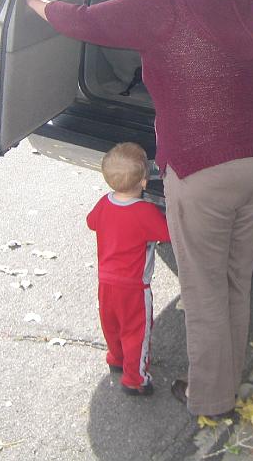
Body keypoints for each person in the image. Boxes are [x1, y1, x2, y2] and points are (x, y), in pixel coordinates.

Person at [27, 0, 253, 419]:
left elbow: (86, 22)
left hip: (206, 166)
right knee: (235, 276)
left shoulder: (162, 3)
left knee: (204, 288)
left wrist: (39, 2)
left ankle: (210, 398)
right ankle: (225, 381)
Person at [86, 142, 170, 396]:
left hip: (106, 282)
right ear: (144, 181)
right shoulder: (145, 212)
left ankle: (117, 358)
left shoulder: (104, 203)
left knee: (111, 324)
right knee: (137, 332)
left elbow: (91, 222)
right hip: (134, 287)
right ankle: (136, 379)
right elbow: (168, 234)